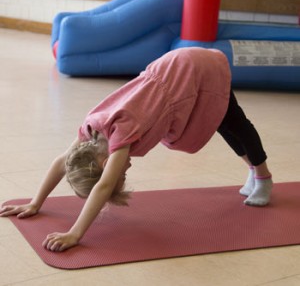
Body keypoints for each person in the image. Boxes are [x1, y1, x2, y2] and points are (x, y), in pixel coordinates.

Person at [0, 47, 273, 252]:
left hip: (194, 69)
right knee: (222, 121)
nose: (125, 171)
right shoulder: (91, 130)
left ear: (108, 165)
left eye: (122, 175)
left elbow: (104, 187)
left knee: (233, 121)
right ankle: (254, 171)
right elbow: (62, 161)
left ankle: (262, 177)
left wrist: (75, 234)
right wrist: (36, 202)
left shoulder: (121, 137)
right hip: (172, 69)